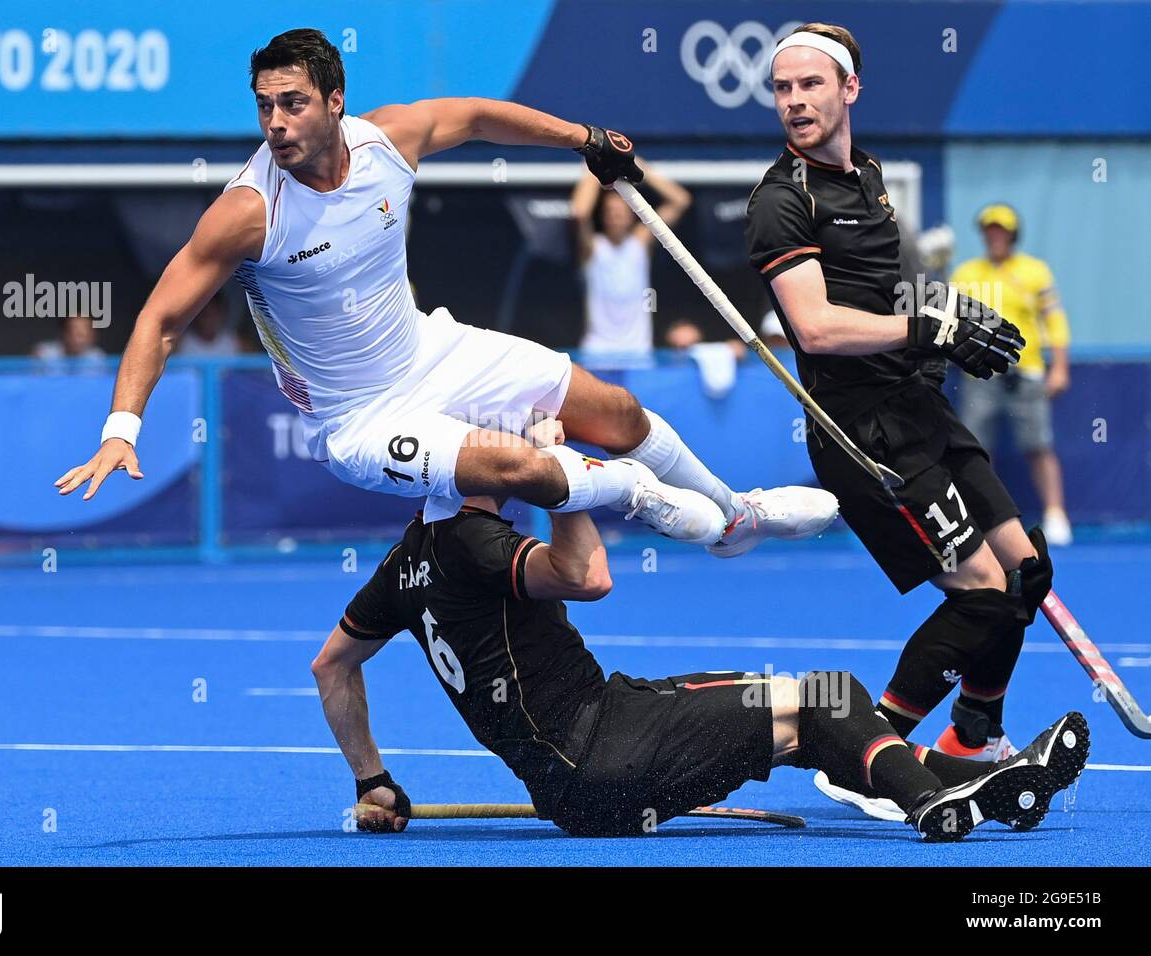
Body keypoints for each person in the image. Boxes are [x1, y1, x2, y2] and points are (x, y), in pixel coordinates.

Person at [56, 28, 837, 561]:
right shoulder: (248, 211)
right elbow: (159, 319)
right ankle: (639, 495)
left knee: (618, 412)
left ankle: (736, 516)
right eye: (264, 106)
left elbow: (479, 118)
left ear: (334, 101)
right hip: (359, 419)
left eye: (292, 102)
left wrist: (583, 140)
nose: (276, 123)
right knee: (521, 470)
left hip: (434, 349)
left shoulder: (388, 140)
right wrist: (122, 427)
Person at [312, 418, 1089, 840]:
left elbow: (332, 668)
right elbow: (590, 578)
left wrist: (371, 782)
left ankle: (970, 786)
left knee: (804, 728)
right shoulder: (474, 540)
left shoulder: (404, 562)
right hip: (605, 742)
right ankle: (933, 806)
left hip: (581, 778)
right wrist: (562, 478)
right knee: (826, 694)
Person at [743, 23, 1053, 818]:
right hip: (864, 433)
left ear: (850, 89)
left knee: (1025, 574)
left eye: (810, 85)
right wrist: (925, 328)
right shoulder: (784, 201)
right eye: (782, 89)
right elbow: (813, 328)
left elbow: (898, 286)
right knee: (982, 594)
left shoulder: (871, 176)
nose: (794, 101)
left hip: (919, 406)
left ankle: (971, 739)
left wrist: (942, 312)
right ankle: (866, 756)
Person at [950, 205, 1074, 546]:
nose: (995, 236)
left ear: (1013, 234)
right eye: (989, 230)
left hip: (1028, 373)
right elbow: (949, 320)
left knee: (1038, 445)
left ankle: (1056, 514)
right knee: (975, 449)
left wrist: (1060, 367)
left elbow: (1055, 321)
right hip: (980, 374)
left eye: (1001, 230)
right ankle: (977, 518)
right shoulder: (965, 272)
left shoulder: (1036, 272)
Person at [570, 161, 691, 356]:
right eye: (611, 212)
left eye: (621, 212)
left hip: (638, 350)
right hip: (598, 351)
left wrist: (635, 165)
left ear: (631, 216)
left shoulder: (639, 244)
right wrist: (594, 167)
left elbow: (680, 200)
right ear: (603, 217)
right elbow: (579, 214)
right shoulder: (592, 248)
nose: (616, 217)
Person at [176, 289, 242, 357]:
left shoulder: (235, 342)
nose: (209, 319)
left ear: (222, 314)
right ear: (196, 315)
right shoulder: (181, 344)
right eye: (205, 314)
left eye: (214, 314)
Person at [31, 314, 106, 362]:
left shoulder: (97, 358)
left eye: (83, 334)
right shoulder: (45, 354)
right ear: (63, 333)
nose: (78, 339)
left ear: (92, 335)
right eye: (74, 331)